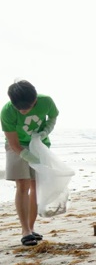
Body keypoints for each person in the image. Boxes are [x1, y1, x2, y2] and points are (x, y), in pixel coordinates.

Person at [1, 80, 59, 246]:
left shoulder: (46, 101)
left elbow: (54, 116)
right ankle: (25, 230)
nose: (23, 111)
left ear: (35, 99)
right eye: (20, 108)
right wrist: (29, 157)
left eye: (27, 107)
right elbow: (14, 144)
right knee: (22, 184)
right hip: (17, 146)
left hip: (39, 145)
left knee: (35, 185)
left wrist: (45, 131)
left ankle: (31, 228)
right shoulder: (7, 111)